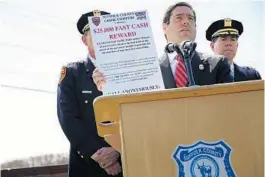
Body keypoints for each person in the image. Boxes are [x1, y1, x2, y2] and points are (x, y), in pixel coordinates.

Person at [92, 2, 233, 90]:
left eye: (190, 19)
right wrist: (108, 84)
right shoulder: (149, 69)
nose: (186, 22)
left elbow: (230, 106)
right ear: (164, 27)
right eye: (179, 18)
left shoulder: (217, 64)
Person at [57, 10, 123, 177]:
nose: (101, 37)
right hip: (87, 165)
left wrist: (117, 150)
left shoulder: (128, 72)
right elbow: (68, 118)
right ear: (84, 40)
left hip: (127, 161)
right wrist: (99, 153)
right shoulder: (72, 73)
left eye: (106, 32)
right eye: (95, 33)